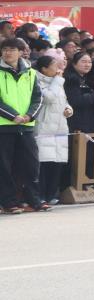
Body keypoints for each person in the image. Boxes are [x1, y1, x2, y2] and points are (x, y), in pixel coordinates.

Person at [0, 38, 43, 214]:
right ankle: (8, 202)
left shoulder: (31, 73)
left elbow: (38, 98)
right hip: (3, 127)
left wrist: (29, 115)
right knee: (4, 167)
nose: (7, 53)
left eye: (12, 49)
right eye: (4, 49)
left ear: (20, 52)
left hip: (26, 126)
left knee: (31, 165)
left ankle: (34, 200)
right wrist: (13, 116)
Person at [29, 52, 72, 210]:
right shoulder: (37, 81)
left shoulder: (57, 82)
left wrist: (69, 109)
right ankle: (40, 196)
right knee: (43, 164)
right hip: (44, 128)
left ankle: (51, 195)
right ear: (44, 69)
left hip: (59, 128)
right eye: (54, 65)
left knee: (56, 163)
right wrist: (58, 80)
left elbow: (63, 100)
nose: (58, 67)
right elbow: (48, 98)